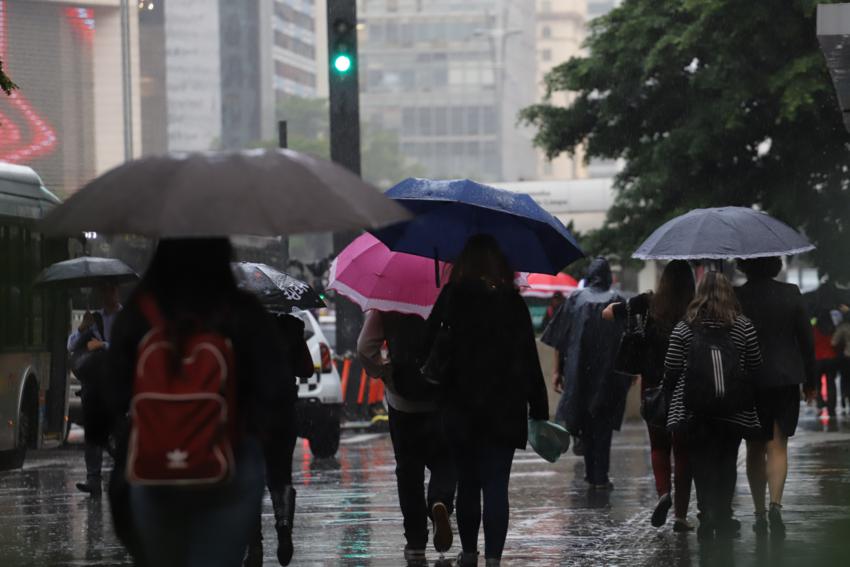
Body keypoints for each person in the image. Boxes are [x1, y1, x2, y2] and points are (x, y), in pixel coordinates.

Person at [89, 239, 294, 567]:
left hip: (154, 471)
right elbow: (279, 396)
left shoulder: (140, 313)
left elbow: (103, 399)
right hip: (229, 466)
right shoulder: (242, 311)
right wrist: (276, 466)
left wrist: (116, 437)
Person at [424, 234, 548, 567]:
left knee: (467, 483)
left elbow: (428, 345)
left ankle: (468, 552)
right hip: (504, 409)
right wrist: (539, 407)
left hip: (460, 407)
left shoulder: (452, 297)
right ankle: (493, 558)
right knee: (496, 484)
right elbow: (529, 358)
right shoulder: (511, 301)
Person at [664, 272, 762, 541]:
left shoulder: (685, 326)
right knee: (727, 462)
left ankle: (706, 514)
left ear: (699, 294)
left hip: (695, 408)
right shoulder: (743, 325)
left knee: (700, 462)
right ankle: (723, 513)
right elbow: (755, 365)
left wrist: (670, 390)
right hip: (733, 409)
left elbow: (672, 367)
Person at [601, 260, 695, 531]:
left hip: (653, 386)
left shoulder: (648, 302)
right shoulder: (695, 307)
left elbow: (607, 313)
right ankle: (680, 516)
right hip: (686, 387)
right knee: (683, 450)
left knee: (658, 446)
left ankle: (663, 492)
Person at [357, 309, 456, 564]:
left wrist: (384, 372)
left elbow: (364, 347)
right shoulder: (444, 295)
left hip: (402, 402)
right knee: (446, 460)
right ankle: (439, 501)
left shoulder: (387, 302)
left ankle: (415, 542)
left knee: (408, 473)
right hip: (440, 398)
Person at [735, 257, 816, 538]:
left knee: (754, 447)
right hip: (784, 378)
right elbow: (806, 341)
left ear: (743, 265)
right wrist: (811, 381)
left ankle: (758, 512)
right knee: (778, 445)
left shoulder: (737, 296)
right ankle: (775, 505)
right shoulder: (791, 293)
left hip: (750, 380)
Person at [542, 257, 630, 490]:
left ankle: (591, 470)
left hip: (579, 372)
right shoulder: (617, 300)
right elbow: (628, 339)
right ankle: (599, 474)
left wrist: (556, 372)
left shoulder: (575, 299)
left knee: (585, 422)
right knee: (602, 424)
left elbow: (560, 338)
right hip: (609, 375)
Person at [245, 313, 314, 567]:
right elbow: (306, 369)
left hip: (251, 416)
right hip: (283, 414)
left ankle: (254, 545)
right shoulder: (291, 326)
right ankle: (283, 527)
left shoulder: (241, 326)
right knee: (281, 475)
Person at [67, 283, 122, 497]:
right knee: (92, 432)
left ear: (116, 291)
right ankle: (93, 480)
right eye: (104, 291)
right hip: (93, 384)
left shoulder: (125, 318)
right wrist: (82, 329)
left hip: (116, 384)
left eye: (111, 290)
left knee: (118, 431)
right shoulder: (95, 319)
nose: (108, 295)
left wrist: (103, 345)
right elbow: (71, 346)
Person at [813, 310, 839, 417]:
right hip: (831, 359)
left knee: (817, 383)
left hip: (817, 359)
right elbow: (836, 344)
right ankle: (831, 406)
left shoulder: (814, 330)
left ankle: (820, 402)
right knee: (831, 383)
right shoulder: (833, 330)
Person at [832, 305, 850, 413]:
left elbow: (833, 342)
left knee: (845, 378)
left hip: (847, 356)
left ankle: (844, 396)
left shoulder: (843, 327)